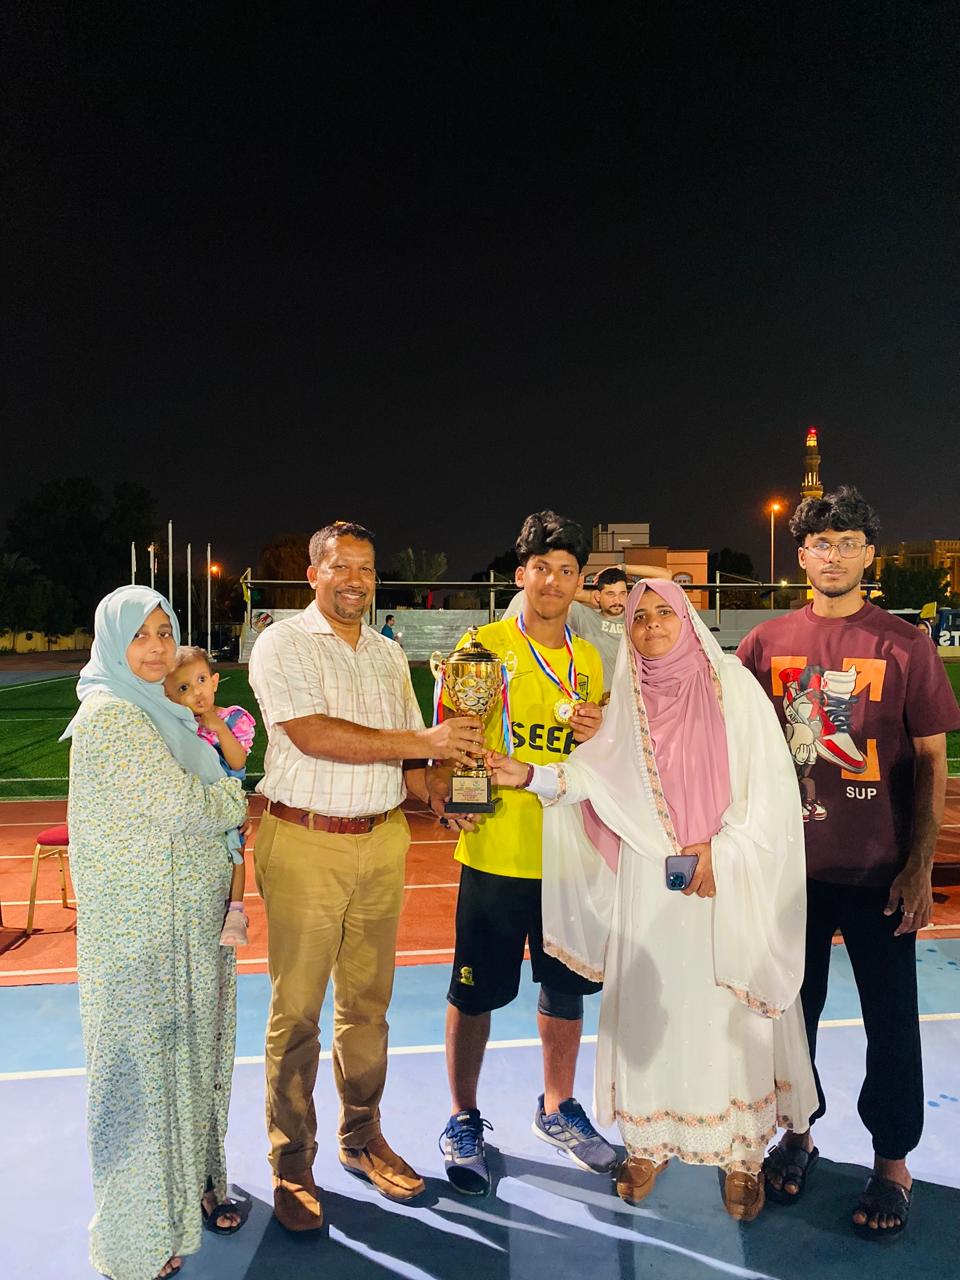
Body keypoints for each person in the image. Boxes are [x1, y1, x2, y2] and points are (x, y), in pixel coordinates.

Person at [488, 579, 817, 1220]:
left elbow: (772, 786)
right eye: (641, 618)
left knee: (727, 1012)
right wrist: (527, 774)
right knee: (652, 1007)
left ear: (690, 620)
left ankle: (741, 1154)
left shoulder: (731, 686)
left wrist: (722, 851)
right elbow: (591, 776)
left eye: (666, 613)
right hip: (648, 879)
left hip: (724, 877)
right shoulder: (628, 700)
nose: (653, 626)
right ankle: (650, 1141)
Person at [738, 486, 960, 1239]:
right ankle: (798, 1135)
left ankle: (892, 1163)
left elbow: (931, 761)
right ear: (801, 555)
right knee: (789, 1019)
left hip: (878, 873)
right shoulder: (764, 644)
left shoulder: (905, 643)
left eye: (848, 542)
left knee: (889, 1024)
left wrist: (919, 866)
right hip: (788, 874)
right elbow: (726, 744)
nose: (833, 555)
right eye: (820, 543)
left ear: (869, 553)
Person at [247, 520, 483, 1231]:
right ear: (314, 574)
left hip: (381, 840)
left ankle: (361, 1136)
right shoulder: (283, 642)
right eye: (341, 567)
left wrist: (444, 791)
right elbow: (312, 734)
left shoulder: (387, 653)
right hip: (306, 839)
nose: (356, 580)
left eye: (367, 568)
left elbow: (409, 763)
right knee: (297, 1014)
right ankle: (292, 1162)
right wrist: (425, 740)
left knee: (368, 1008)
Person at [63, 586, 249, 1280]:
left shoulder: (163, 710)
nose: (156, 648)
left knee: (185, 1067)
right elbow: (184, 807)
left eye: (165, 632)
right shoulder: (113, 717)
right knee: (142, 1084)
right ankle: (136, 1241)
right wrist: (231, 797)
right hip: (144, 939)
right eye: (139, 635)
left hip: (184, 927)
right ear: (112, 643)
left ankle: (186, 1197)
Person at [438, 510, 616, 1198]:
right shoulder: (483, 646)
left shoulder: (588, 658)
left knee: (565, 986)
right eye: (542, 568)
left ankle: (557, 1107)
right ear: (521, 575)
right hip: (497, 849)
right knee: (473, 991)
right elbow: (457, 733)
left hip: (569, 854)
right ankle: (463, 1117)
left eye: (567, 570)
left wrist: (598, 732)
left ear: (579, 581)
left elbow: (600, 758)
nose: (554, 581)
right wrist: (462, 798)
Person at [165, 645, 256, 946]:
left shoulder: (232, 719)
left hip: (226, 799)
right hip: (195, 805)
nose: (197, 692)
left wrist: (219, 728)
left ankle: (236, 911)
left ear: (215, 681)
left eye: (201, 680)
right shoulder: (178, 727)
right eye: (184, 688)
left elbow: (237, 763)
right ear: (171, 696)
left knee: (235, 851)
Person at [502, 564, 671, 686]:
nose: (617, 600)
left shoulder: (634, 617)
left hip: (630, 697)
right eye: (610, 594)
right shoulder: (584, 616)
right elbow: (539, 596)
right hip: (598, 698)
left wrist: (622, 568)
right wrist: (586, 596)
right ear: (598, 595)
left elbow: (666, 577)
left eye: (622, 593)